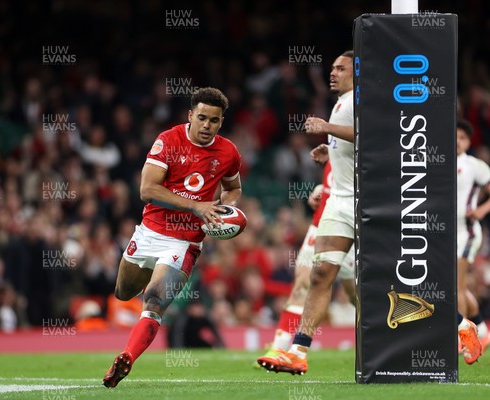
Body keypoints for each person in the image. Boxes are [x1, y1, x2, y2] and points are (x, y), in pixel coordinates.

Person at [256, 51, 482, 374]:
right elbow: (354, 147)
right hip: (340, 202)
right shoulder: (341, 101)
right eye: (331, 67)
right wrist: (330, 152)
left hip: (371, 203)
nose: (332, 72)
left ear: (356, 72)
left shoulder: (364, 99)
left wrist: (327, 129)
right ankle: (297, 350)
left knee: (398, 279)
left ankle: (461, 326)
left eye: (340, 68)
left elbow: (374, 136)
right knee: (320, 275)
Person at [102, 87, 242, 388]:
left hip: (185, 241)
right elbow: (147, 190)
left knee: (153, 301)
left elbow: (233, 188)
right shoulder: (168, 141)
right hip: (149, 231)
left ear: (221, 122)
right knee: (124, 293)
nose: (207, 126)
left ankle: (127, 357)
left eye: (214, 121)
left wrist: (221, 210)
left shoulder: (228, 152)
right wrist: (196, 205)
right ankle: (149, 280)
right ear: (190, 115)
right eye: (202, 118)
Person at [255, 160, 355, 365]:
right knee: (303, 282)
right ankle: (279, 348)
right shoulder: (334, 139)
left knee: (355, 294)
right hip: (321, 223)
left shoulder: (360, 136)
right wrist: (323, 187)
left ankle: (386, 337)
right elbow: (337, 166)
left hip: (351, 225)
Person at [456, 118, 490, 351]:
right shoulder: (437, 163)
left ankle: (465, 340)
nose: (457, 142)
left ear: (469, 142)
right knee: (456, 287)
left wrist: (481, 209)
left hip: (466, 232)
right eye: (454, 137)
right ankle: (482, 330)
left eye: (462, 138)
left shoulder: (474, 165)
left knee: (454, 287)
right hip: (446, 233)